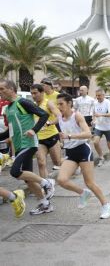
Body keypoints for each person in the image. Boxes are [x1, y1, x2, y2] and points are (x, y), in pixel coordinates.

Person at [0, 79, 55, 215]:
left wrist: (34, 130)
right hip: (19, 145)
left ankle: (47, 183)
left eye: (2, 89)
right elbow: (9, 132)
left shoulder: (22, 102)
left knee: (14, 172)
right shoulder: (9, 108)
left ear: (11, 89)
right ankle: (45, 204)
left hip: (28, 143)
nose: (0, 92)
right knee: (27, 178)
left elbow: (44, 115)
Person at [56, 93, 110, 219]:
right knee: (61, 180)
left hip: (82, 150)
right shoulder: (60, 117)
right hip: (70, 152)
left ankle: (106, 205)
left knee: (90, 183)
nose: (59, 107)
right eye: (57, 104)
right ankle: (82, 193)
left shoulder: (77, 116)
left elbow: (88, 134)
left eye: (61, 104)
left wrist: (69, 136)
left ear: (69, 103)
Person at [30, 84, 62, 178]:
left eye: (35, 93)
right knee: (41, 162)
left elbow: (59, 116)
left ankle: (72, 163)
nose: (33, 96)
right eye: (31, 93)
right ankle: (47, 185)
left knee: (57, 162)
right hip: (39, 138)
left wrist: (49, 123)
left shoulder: (48, 103)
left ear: (42, 93)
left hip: (51, 135)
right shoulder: (32, 105)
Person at [93, 89, 110, 168]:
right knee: (95, 142)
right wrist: (93, 120)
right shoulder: (95, 103)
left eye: (99, 95)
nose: (97, 97)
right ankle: (101, 157)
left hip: (108, 127)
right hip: (98, 126)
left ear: (103, 95)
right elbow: (94, 113)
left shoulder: (107, 102)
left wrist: (101, 115)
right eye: (96, 95)